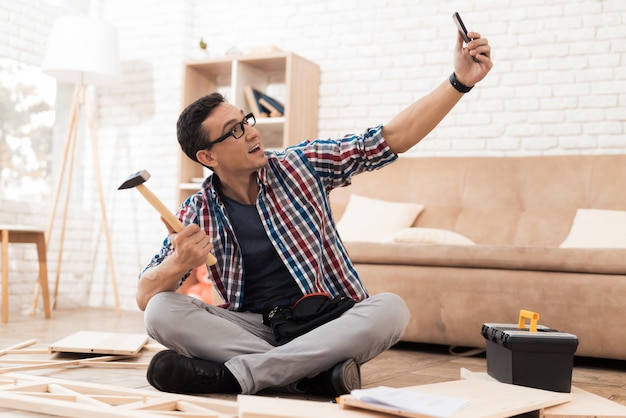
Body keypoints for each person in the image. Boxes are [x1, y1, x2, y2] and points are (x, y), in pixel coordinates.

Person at [138, 29, 492, 397]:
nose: (250, 133)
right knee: (161, 311)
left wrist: (459, 82)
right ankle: (311, 375)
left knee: (391, 310)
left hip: (327, 320)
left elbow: (388, 139)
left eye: (246, 121)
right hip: (255, 327)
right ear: (208, 157)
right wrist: (177, 263)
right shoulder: (197, 211)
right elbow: (146, 297)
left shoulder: (302, 164)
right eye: (235, 131)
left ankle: (238, 377)